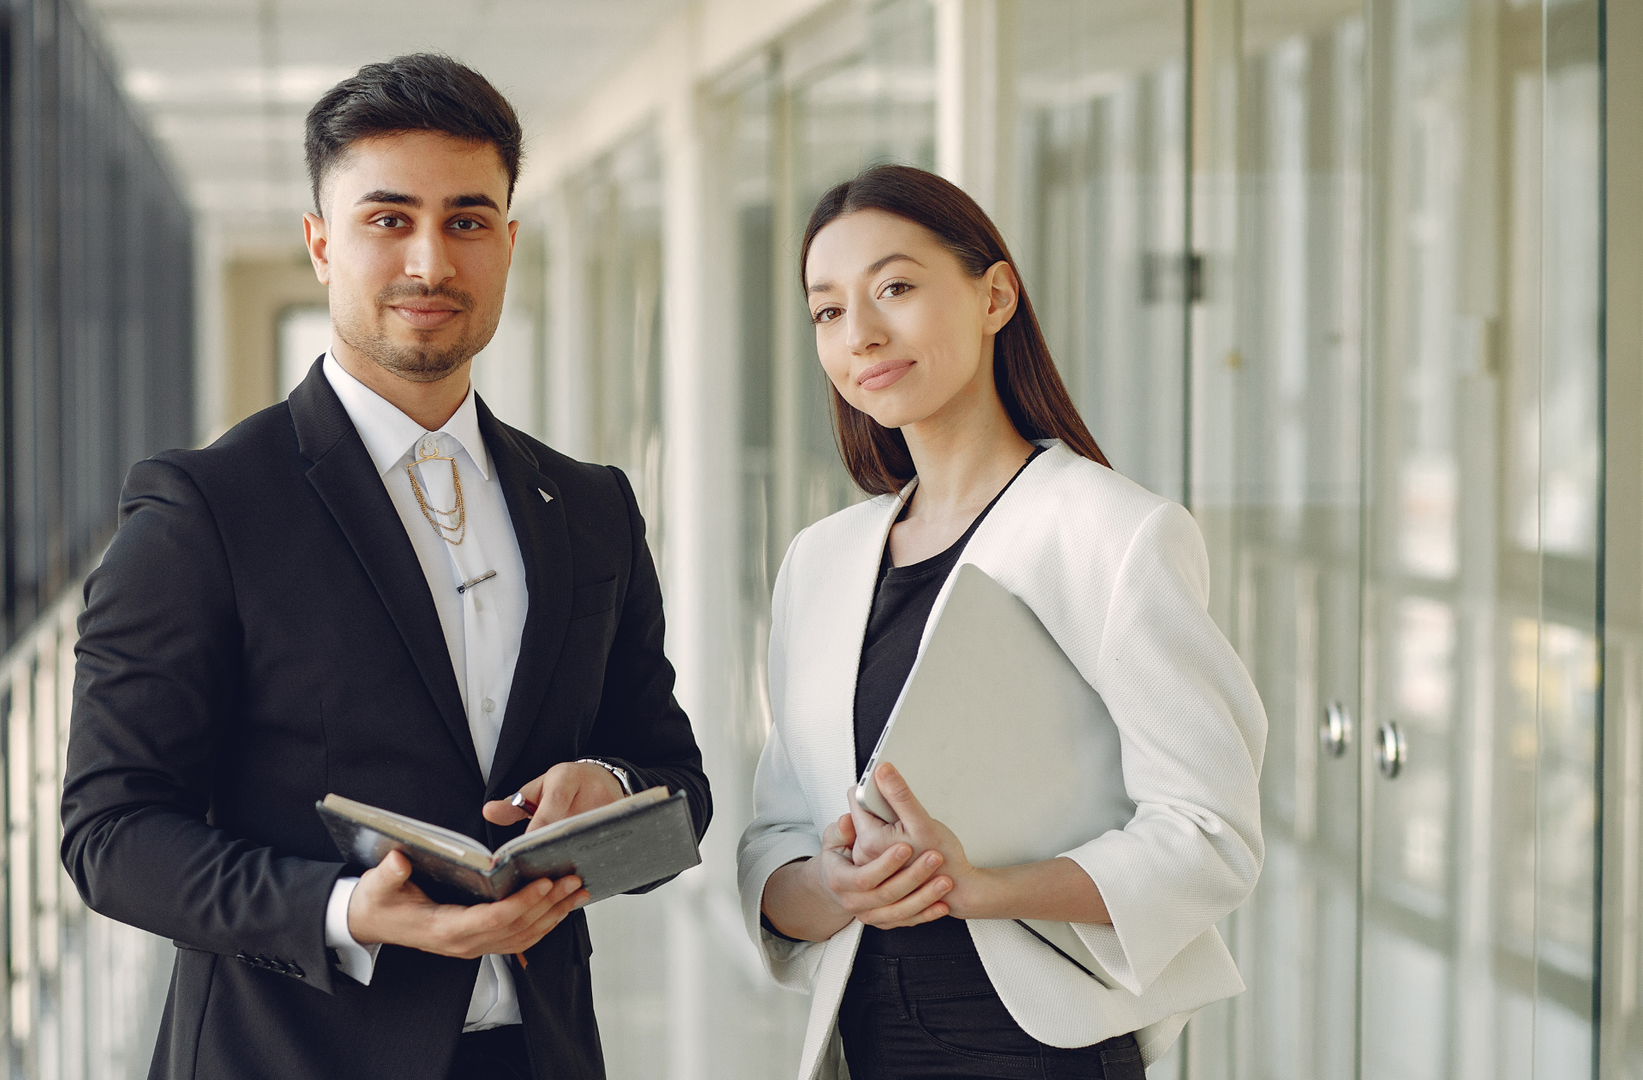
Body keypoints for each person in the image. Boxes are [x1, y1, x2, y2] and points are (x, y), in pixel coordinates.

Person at [61, 54, 711, 1080]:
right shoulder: (204, 508)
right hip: (290, 1053)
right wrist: (339, 911)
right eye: (386, 218)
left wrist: (615, 786)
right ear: (321, 245)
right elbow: (111, 832)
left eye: (465, 220)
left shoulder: (589, 508)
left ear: (507, 241)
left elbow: (677, 784)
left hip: (539, 1053)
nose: (428, 263)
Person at [737, 164, 1266, 1080]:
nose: (860, 334)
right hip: (862, 1041)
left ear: (996, 295)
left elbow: (1210, 834)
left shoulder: (1113, 533)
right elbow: (774, 843)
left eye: (895, 288)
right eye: (827, 311)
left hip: (1034, 1046)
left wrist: (980, 889)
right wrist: (833, 884)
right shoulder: (819, 563)